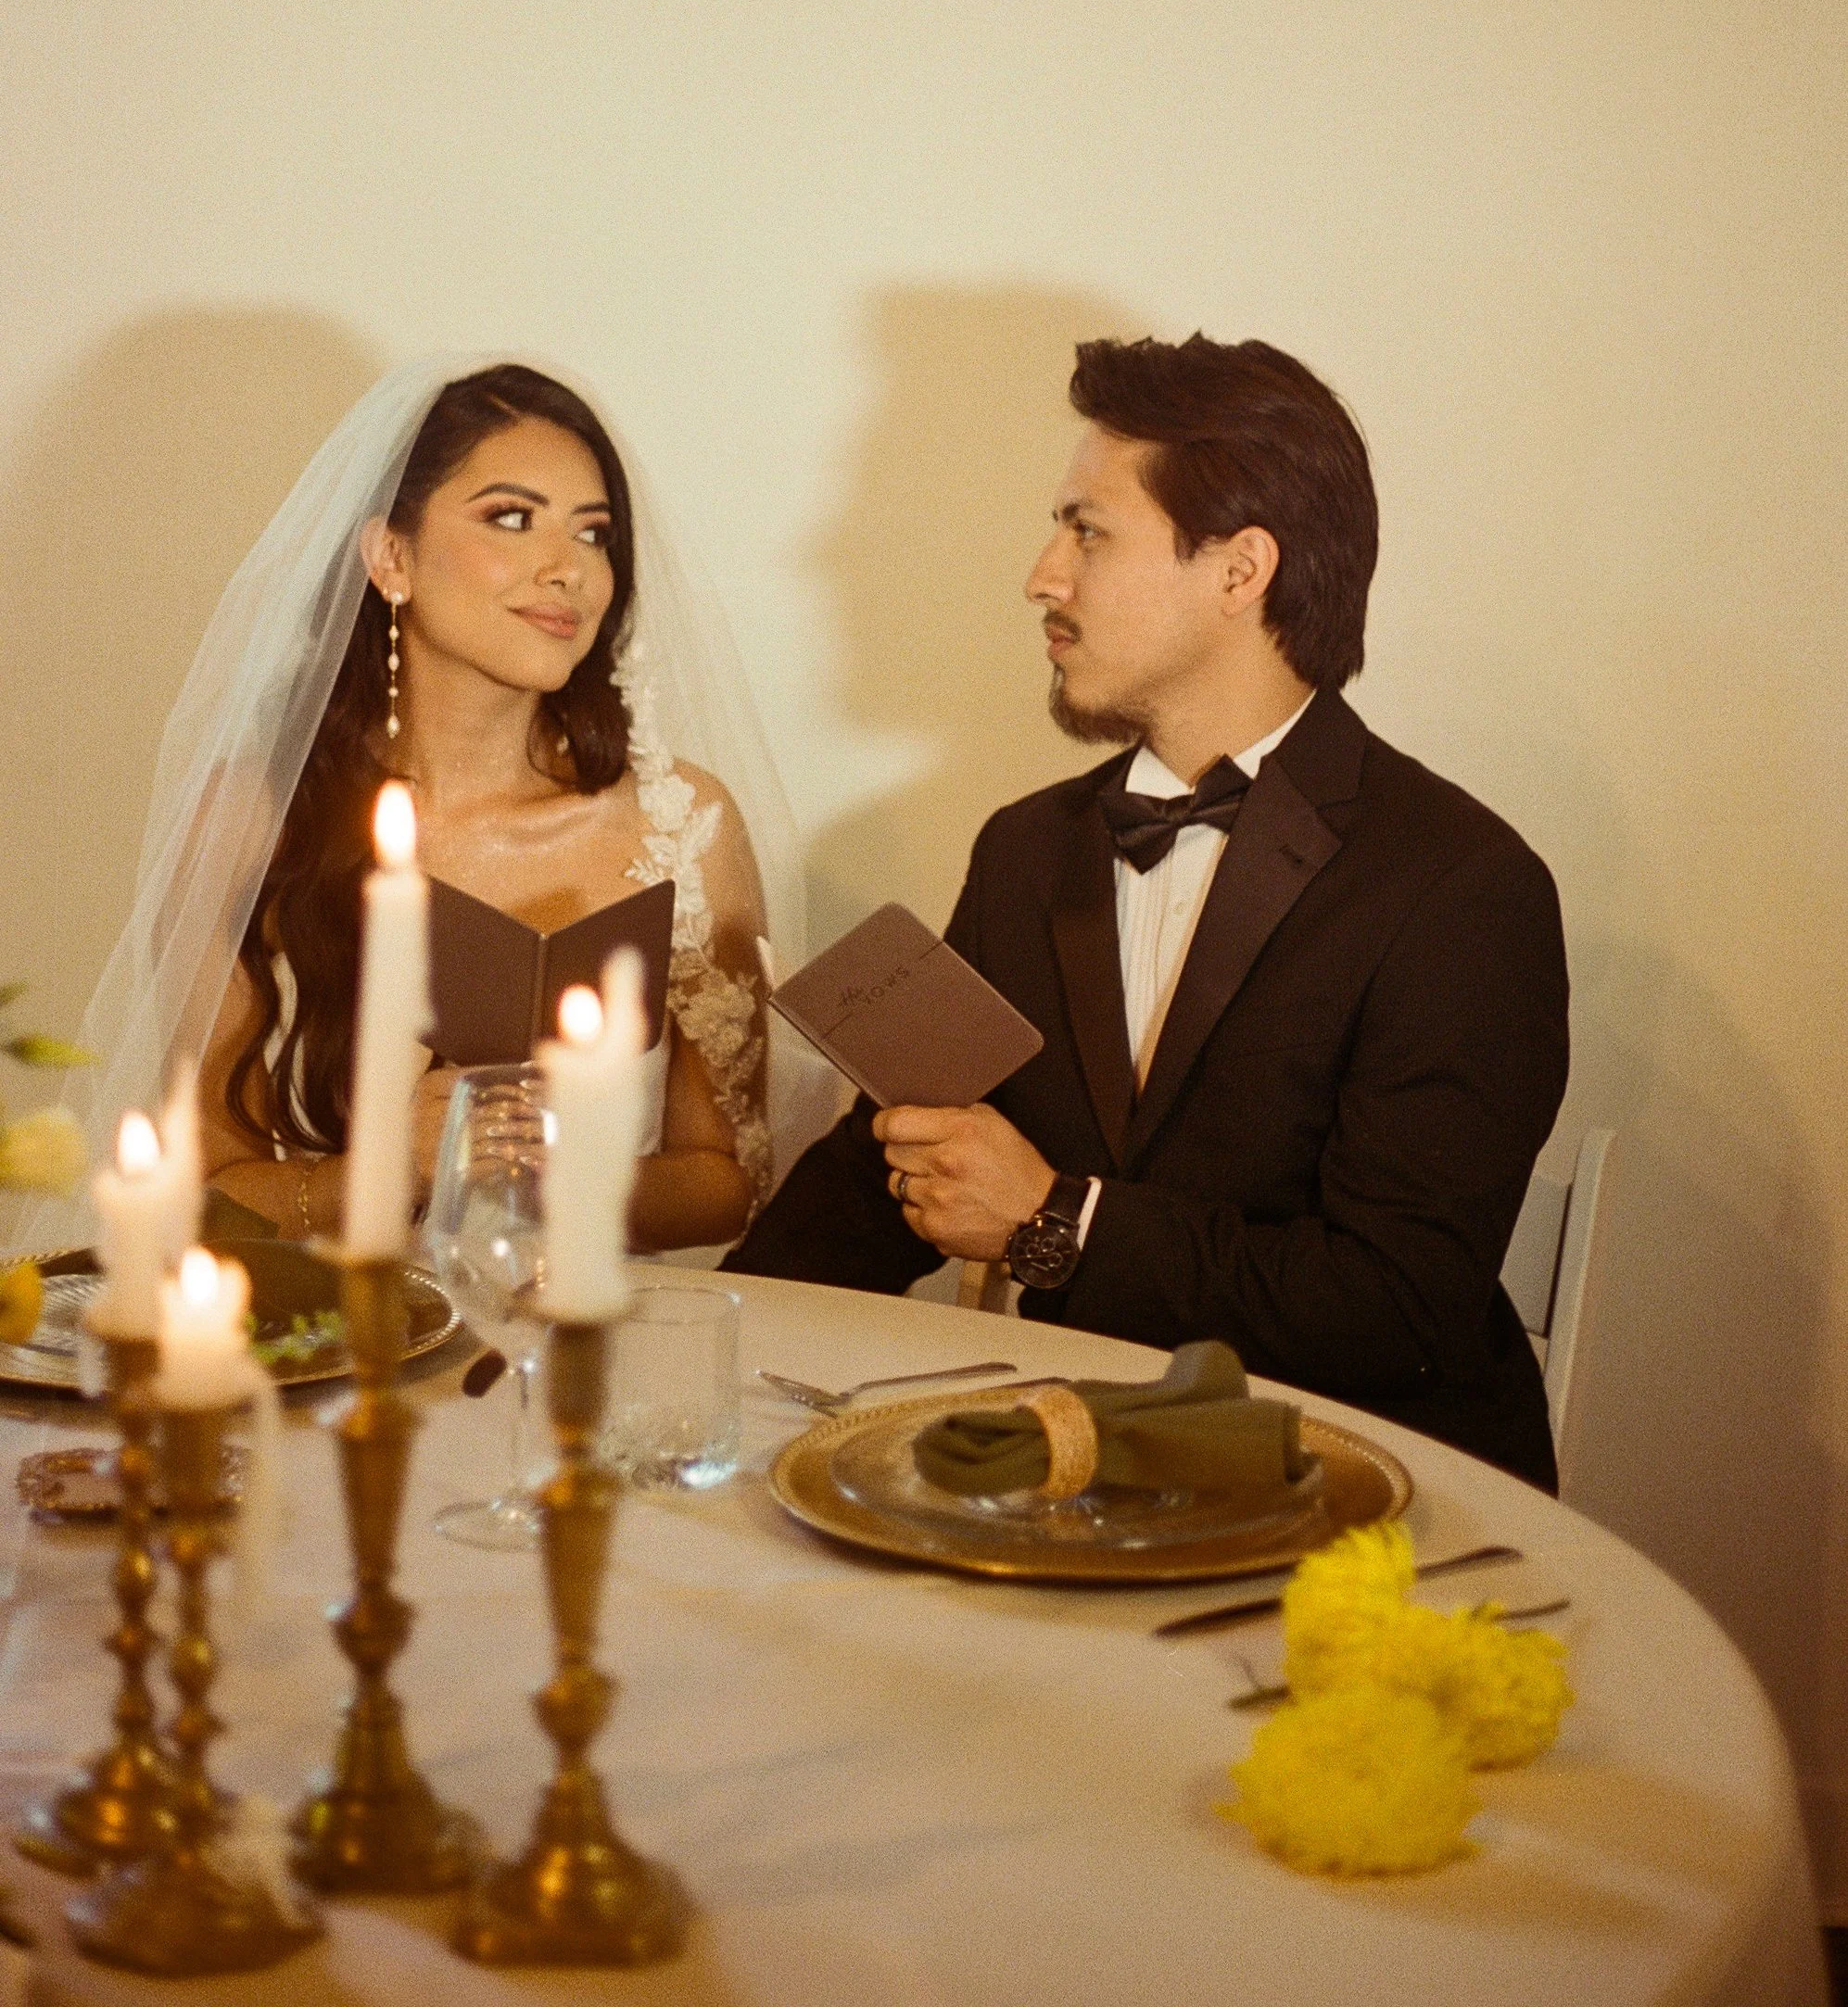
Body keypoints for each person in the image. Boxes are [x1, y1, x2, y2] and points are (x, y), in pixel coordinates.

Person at [730, 334, 1570, 1489]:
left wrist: (1053, 1218)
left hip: (1369, 1501)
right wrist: (689, 1333)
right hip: (1081, 1477)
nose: (1041, 574)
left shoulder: (1461, 887)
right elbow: (890, 1165)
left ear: (1238, 571)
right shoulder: (1027, 847)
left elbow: (1393, 1305)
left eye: (1086, 529)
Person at [16, 360, 802, 1258]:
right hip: (326, 1340)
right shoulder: (253, 817)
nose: (569, 569)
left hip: (585, 1338)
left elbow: (728, 1179)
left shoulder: (679, 822)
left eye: (594, 534)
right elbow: (204, 1192)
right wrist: (397, 1166)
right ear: (391, 555)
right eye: (512, 517)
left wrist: (558, 1171)